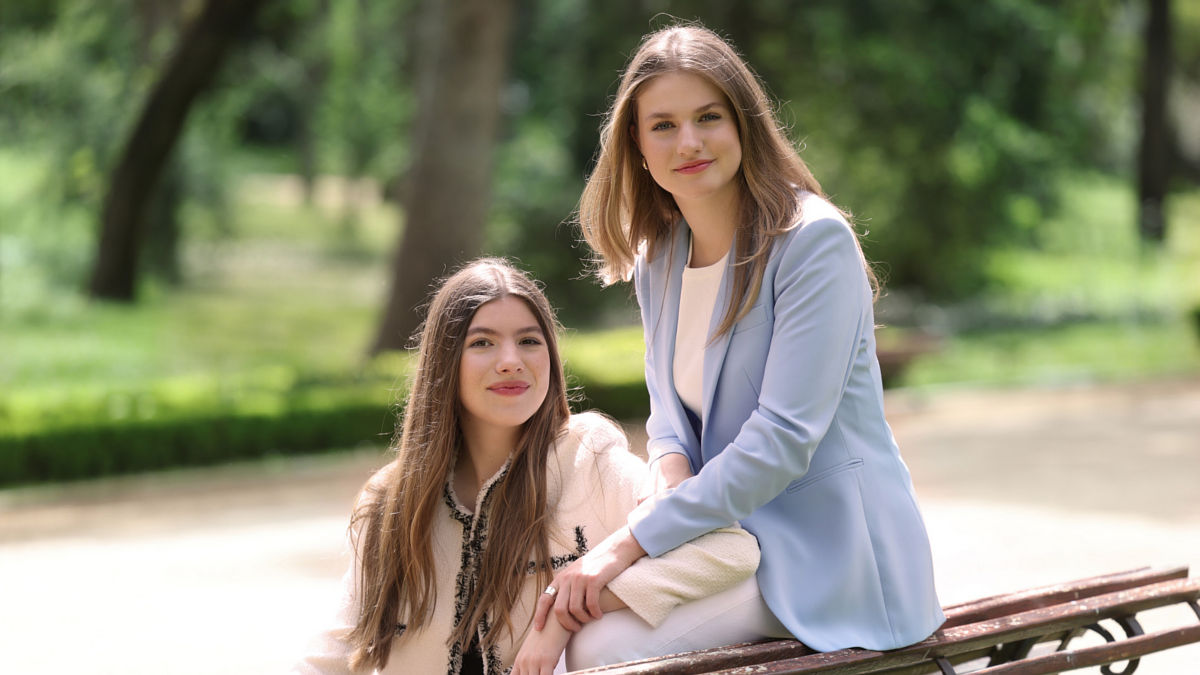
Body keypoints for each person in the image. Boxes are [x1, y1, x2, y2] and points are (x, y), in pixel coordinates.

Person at [535, 23, 944, 654]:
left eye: (708, 117)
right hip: (721, 542)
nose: (689, 141)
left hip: (829, 554)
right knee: (568, 618)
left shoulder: (813, 243)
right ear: (637, 145)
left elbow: (782, 440)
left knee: (600, 649)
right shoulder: (659, 258)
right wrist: (668, 499)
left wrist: (632, 543)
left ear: (744, 124)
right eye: (663, 125)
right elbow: (668, 420)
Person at [293, 257, 763, 675]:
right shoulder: (393, 501)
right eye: (482, 343)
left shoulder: (588, 461)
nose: (510, 361)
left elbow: (727, 548)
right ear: (444, 362)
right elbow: (337, 648)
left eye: (528, 341)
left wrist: (566, 608)